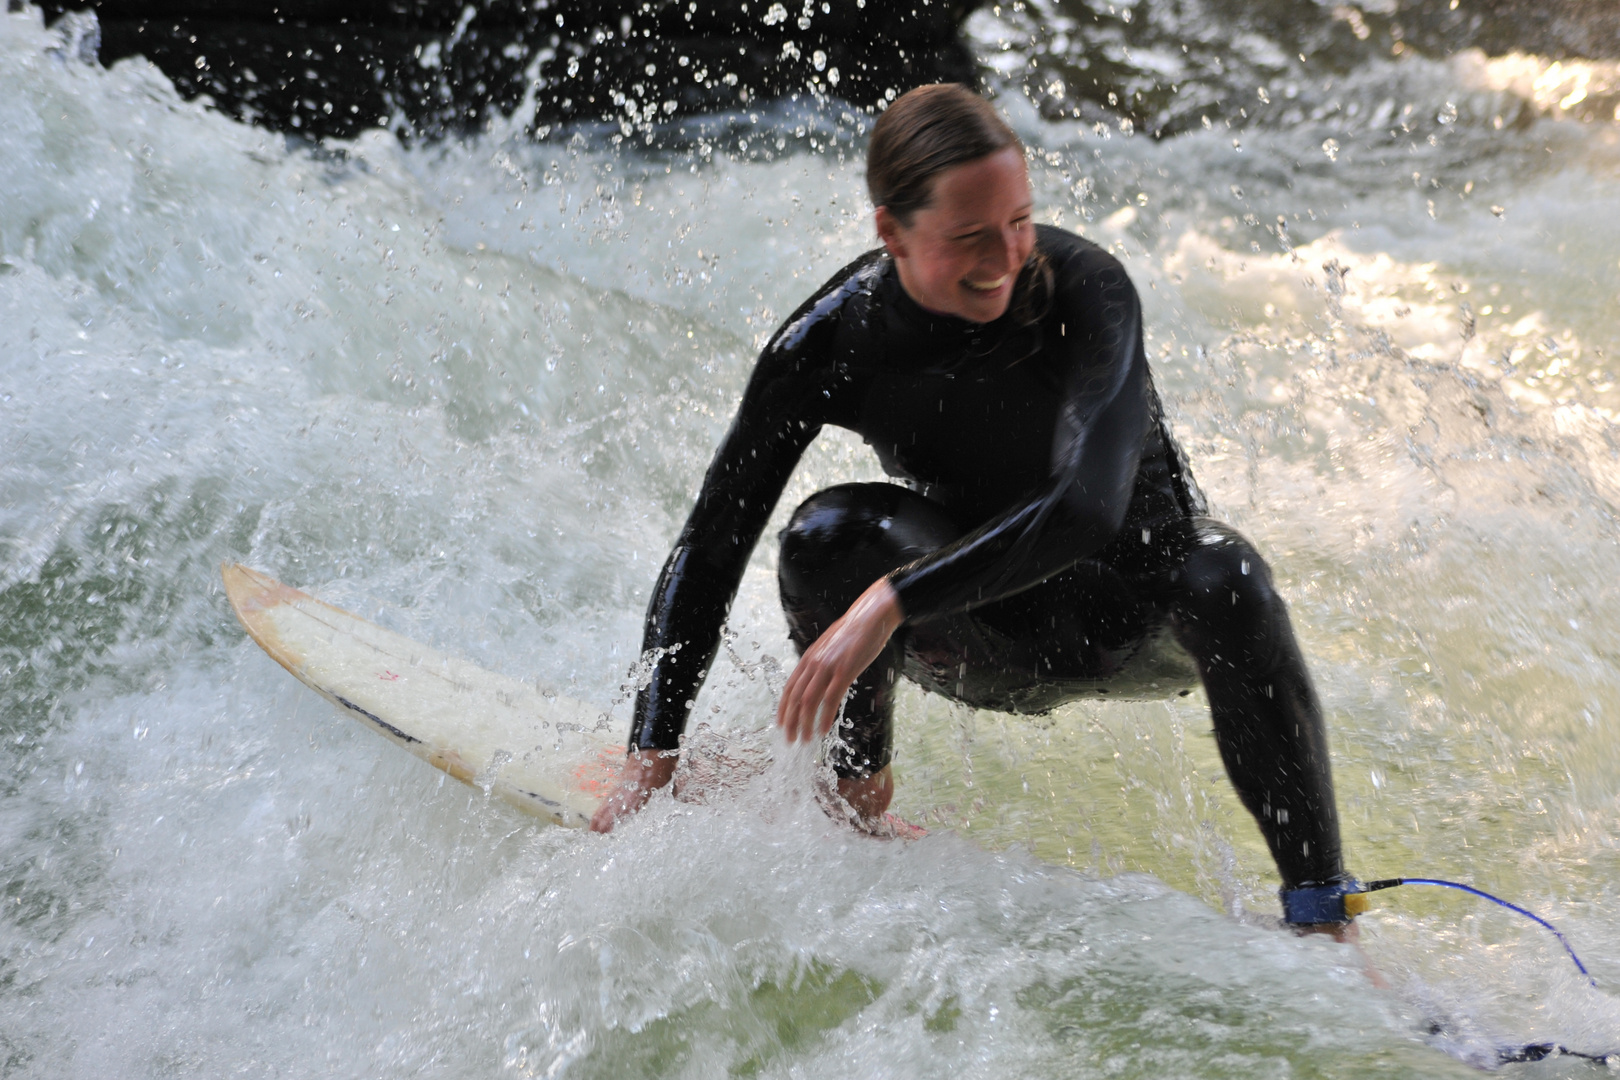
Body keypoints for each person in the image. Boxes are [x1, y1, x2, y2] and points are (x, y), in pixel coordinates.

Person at [589, 83, 1362, 930]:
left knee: (1229, 575)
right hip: (984, 629)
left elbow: (1084, 514)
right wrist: (649, 757)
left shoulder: (1088, 295)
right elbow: (711, 544)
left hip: (1132, 623)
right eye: (968, 237)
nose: (1006, 258)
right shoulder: (829, 343)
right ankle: (857, 802)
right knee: (829, 534)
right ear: (891, 231)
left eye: (1019, 222)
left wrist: (890, 602)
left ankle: (1322, 913)